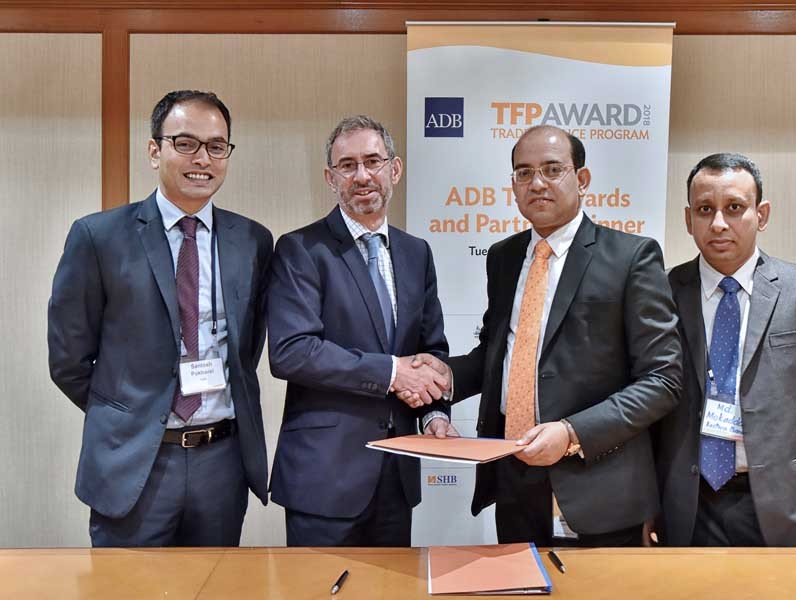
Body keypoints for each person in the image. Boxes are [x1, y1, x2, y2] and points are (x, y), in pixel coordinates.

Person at [413, 125, 682, 546]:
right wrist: (445, 378)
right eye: (524, 173)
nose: (537, 182)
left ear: (582, 179)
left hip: (599, 486)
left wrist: (573, 433)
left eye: (552, 169)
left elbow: (663, 380)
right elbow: (500, 354)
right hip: (514, 479)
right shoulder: (503, 258)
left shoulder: (632, 257)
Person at [48, 90, 273, 546]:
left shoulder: (252, 240)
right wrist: (131, 415)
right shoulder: (99, 236)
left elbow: (245, 351)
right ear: (155, 150)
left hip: (221, 461)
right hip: (136, 462)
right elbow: (68, 359)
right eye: (185, 143)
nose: (202, 159)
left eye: (216, 146)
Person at [651, 152, 796, 547]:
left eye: (734, 208)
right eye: (704, 209)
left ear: (761, 214)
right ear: (688, 218)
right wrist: (646, 508)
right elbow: (647, 416)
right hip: (688, 508)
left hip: (790, 506)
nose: (718, 223)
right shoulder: (660, 294)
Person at [267, 115, 454, 547]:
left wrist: (433, 413)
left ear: (395, 169)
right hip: (324, 478)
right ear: (330, 178)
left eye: (373, 161)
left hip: (397, 474)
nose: (362, 175)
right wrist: (393, 373)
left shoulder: (416, 253)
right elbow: (292, 351)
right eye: (347, 166)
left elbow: (431, 350)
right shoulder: (300, 249)